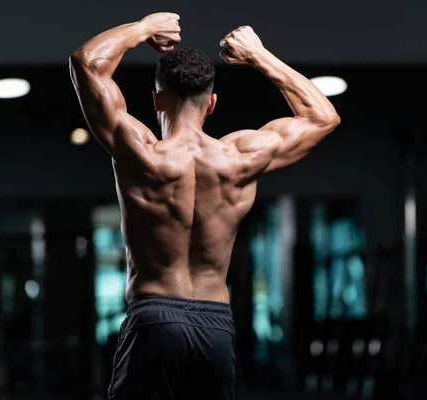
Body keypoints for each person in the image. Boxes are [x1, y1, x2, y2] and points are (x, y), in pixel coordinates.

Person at [69, 11, 340, 400]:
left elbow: (86, 62)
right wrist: (258, 55)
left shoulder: (141, 152)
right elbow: (323, 117)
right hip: (215, 327)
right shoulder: (240, 157)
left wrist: (143, 29)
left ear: (156, 98)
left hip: (154, 319)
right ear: (211, 103)